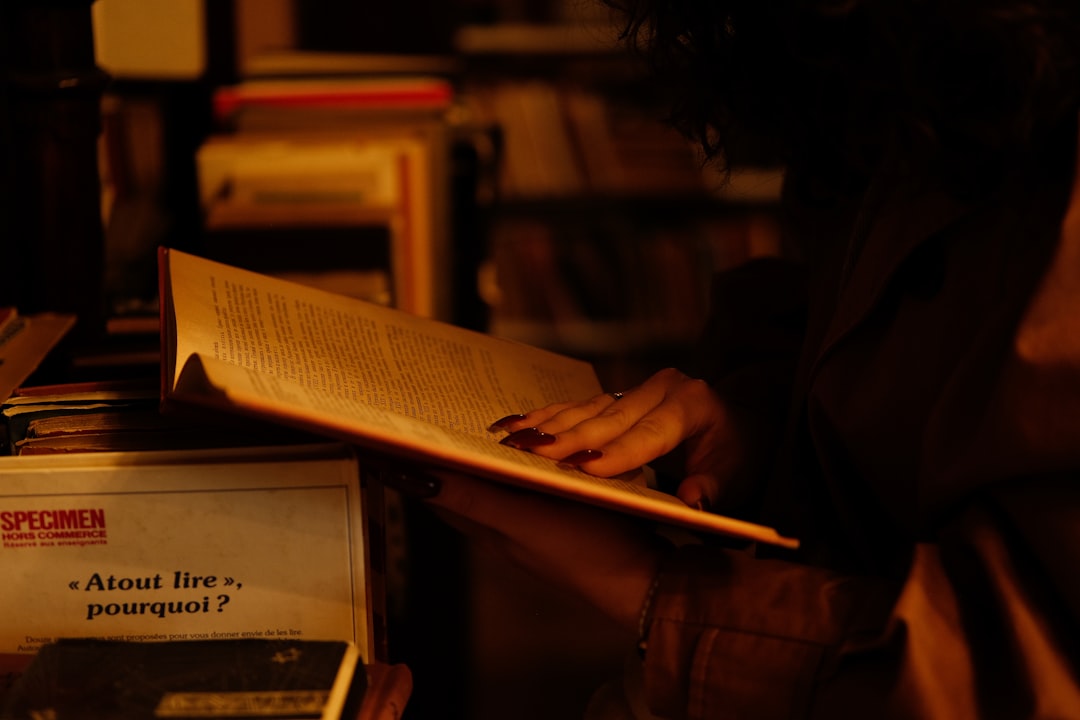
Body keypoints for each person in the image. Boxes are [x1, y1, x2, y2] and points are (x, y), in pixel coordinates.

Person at [419, 1, 1080, 717]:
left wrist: (645, 589)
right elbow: (845, 323)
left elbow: (1040, 675)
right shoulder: (890, 67)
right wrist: (750, 419)